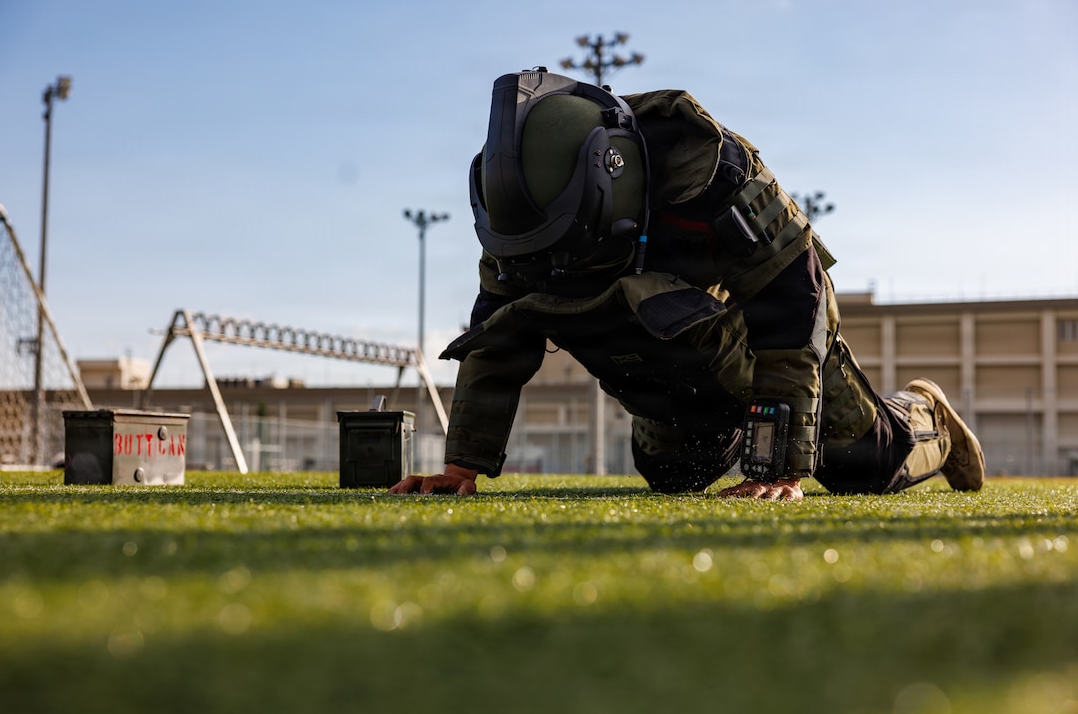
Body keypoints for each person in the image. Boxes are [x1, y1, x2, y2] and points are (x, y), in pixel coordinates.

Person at [388, 67, 985, 500]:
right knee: (672, 477)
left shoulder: (716, 174)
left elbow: (793, 304)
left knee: (862, 466)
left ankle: (925, 411)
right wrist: (461, 467)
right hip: (666, 353)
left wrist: (776, 465)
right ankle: (720, 434)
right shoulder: (520, 222)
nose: (556, 270)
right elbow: (498, 334)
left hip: (762, 337)